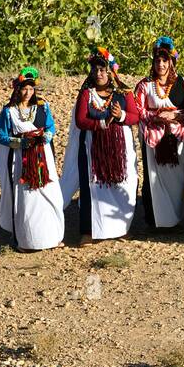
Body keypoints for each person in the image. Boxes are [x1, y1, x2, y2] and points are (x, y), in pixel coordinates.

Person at [60, 48, 140, 244]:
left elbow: (135, 117)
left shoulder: (124, 92)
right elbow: (80, 120)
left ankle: (121, 229)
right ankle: (89, 231)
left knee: (124, 183)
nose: (99, 73)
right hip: (93, 147)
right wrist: (101, 124)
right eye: (95, 70)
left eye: (102, 69)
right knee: (93, 186)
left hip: (121, 149)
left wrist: (120, 115)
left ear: (111, 71)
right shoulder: (87, 93)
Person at [0, 66, 64, 251]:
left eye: (31, 89)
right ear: (17, 89)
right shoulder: (9, 111)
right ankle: (26, 241)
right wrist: (20, 142)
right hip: (21, 160)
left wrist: (47, 137)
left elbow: (50, 127)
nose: (28, 92)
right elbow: (1, 136)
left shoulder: (42, 106)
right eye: (24, 88)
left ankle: (51, 237)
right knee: (26, 198)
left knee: (49, 192)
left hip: (42, 156)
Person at [134, 36, 184, 230]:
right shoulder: (144, 85)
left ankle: (174, 218)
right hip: (154, 140)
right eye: (157, 60)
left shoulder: (183, 84)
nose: (161, 64)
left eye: (165, 60)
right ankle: (155, 220)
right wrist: (157, 117)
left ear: (171, 62)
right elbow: (138, 110)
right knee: (153, 179)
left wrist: (174, 115)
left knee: (177, 179)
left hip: (179, 138)